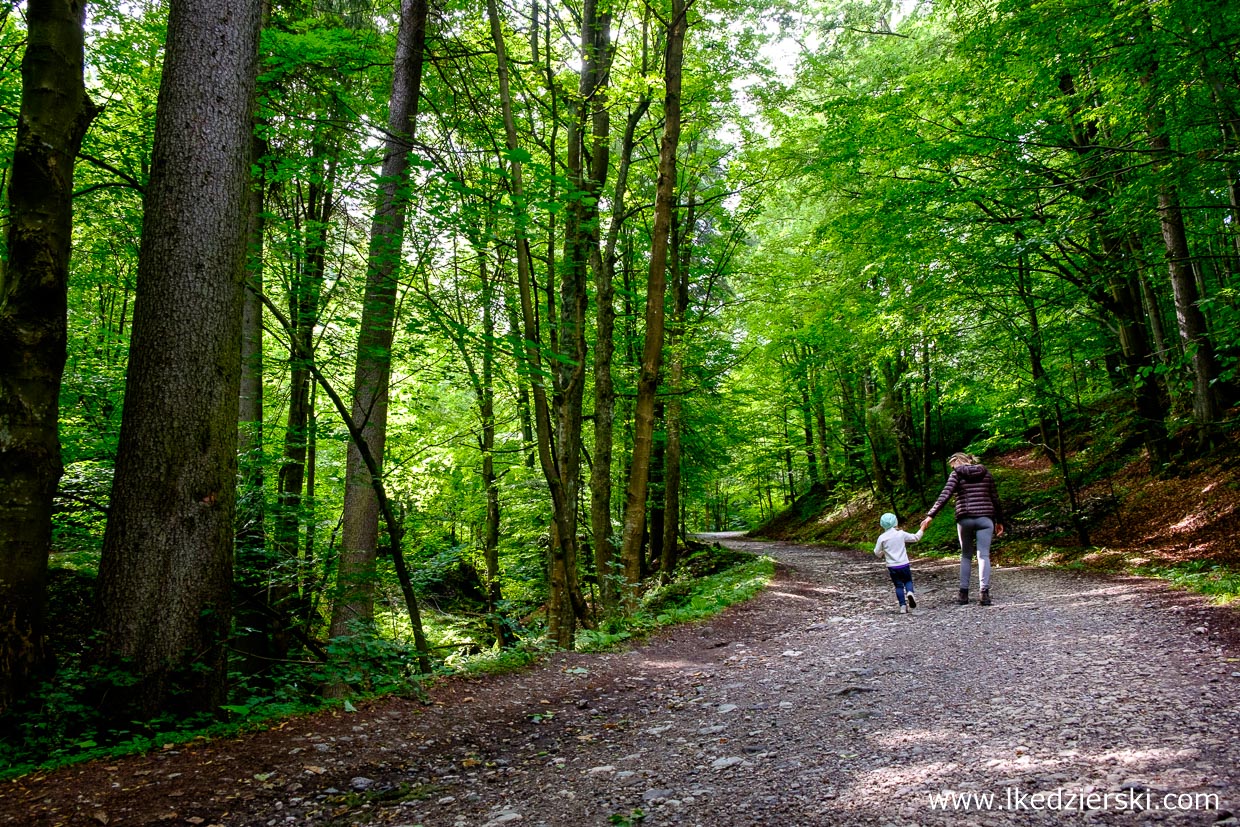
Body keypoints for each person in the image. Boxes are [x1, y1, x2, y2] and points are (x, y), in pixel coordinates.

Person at [921, 451, 1004, 606]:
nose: (953, 468)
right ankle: (984, 594)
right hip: (986, 519)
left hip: (965, 519)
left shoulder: (956, 475)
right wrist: (1000, 521)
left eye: (953, 465)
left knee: (966, 556)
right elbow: (995, 498)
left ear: (957, 462)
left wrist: (930, 516)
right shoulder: (986, 473)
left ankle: (963, 595)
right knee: (983, 555)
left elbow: (944, 495)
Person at [874, 512, 922, 614]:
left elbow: (876, 552)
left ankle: (902, 607)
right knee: (908, 581)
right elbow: (915, 538)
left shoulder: (882, 537)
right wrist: (922, 528)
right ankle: (910, 592)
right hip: (904, 564)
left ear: (882, 524)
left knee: (898, 586)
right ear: (895, 521)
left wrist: (882, 553)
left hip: (892, 566)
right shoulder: (900, 534)